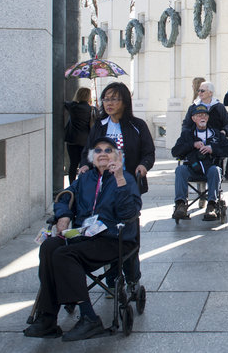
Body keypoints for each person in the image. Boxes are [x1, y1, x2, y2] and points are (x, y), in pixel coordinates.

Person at [24, 136, 141, 341]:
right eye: (97, 150)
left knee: (64, 255)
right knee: (50, 246)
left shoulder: (125, 179)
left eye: (108, 150)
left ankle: (89, 317)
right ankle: (47, 317)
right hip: (84, 236)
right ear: (91, 157)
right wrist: (64, 216)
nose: (102, 153)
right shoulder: (85, 179)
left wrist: (120, 179)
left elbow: (128, 212)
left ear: (117, 156)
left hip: (113, 238)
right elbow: (65, 196)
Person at [80, 81, 154, 291]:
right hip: (101, 188)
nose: (109, 103)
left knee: (127, 231)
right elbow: (88, 152)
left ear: (125, 101)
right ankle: (112, 279)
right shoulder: (99, 125)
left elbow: (148, 151)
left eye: (114, 98)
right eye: (106, 98)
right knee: (106, 230)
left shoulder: (137, 125)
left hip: (126, 186)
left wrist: (143, 165)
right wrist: (85, 167)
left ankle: (132, 276)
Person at [171, 103, 228, 221]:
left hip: (210, 168)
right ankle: (180, 204)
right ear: (193, 118)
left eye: (205, 115)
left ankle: (211, 205)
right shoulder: (187, 134)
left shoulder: (216, 134)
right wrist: (192, 145)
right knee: (180, 170)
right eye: (199, 115)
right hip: (192, 168)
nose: (203, 118)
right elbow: (175, 152)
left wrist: (212, 149)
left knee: (215, 170)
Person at [64, 87, 94, 183]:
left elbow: (64, 103)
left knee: (73, 164)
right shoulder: (91, 109)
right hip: (86, 141)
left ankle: (72, 185)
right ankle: (82, 185)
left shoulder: (72, 106)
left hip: (72, 140)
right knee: (84, 164)